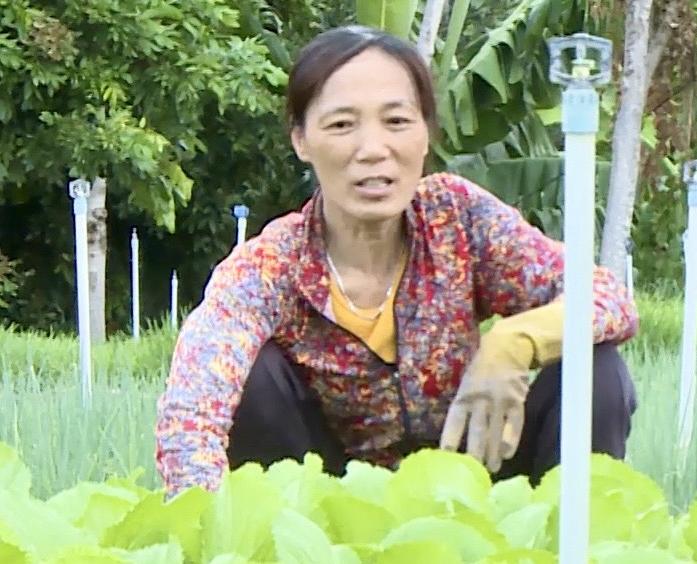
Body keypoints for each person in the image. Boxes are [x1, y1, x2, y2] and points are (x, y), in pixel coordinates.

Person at [154, 25, 640, 497]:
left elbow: (609, 296)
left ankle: (574, 558)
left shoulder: (458, 221)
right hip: (330, 509)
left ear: (425, 133)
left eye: (397, 122)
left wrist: (513, 342)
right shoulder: (270, 266)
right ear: (301, 140)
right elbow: (192, 411)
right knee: (254, 380)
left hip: (477, 488)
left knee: (596, 369)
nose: (373, 150)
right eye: (342, 125)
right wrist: (208, 532)